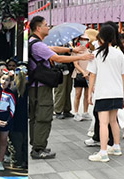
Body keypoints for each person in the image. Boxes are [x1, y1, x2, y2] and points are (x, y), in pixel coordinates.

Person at [27, 15, 91, 160]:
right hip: (40, 88)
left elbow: (53, 48)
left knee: (36, 117)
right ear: (38, 28)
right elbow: (57, 58)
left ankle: (37, 144)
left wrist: (72, 50)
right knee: (43, 117)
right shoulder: (37, 45)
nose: (48, 27)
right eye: (45, 24)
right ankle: (38, 149)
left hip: (35, 87)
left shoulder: (33, 42)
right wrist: (80, 57)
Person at [85, 24, 124, 163]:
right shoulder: (119, 53)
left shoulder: (97, 53)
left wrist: (89, 94)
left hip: (103, 92)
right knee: (113, 121)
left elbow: (92, 75)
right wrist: (121, 91)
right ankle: (116, 147)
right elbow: (123, 75)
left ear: (101, 38)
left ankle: (103, 152)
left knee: (103, 123)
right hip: (116, 92)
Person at [0, 72, 17, 171]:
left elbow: (12, 108)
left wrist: (7, 121)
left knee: (3, 141)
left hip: (5, 117)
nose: (4, 81)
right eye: (3, 79)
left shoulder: (10, 93)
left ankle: (1, 161)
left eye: (7, 80)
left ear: (10, 82)